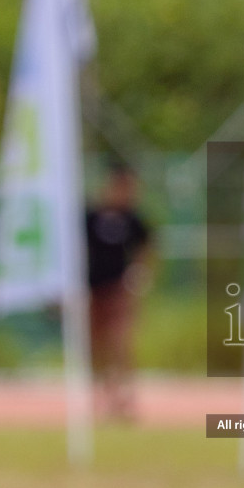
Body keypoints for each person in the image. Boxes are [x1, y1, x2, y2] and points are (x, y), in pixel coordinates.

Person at [84, 164, 150, 420]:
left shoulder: (132, 219)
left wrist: (140, 274)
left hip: (119, 290)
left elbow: (147, 246)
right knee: (95, 345)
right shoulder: (91, 217)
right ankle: (100, 396)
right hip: (93, 289)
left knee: (121, 343)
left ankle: (125, 398)